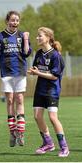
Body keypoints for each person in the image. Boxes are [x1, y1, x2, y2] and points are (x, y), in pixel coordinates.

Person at [0, 10, 32, 147]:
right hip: (6, 72)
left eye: (17, 20)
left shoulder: (22, 35)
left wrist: (26, 39)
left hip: (20, 71)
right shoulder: (0, 35)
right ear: (7, 21)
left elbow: (26, 53)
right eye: (12, 20)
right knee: (9, 101)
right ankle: (12, 132)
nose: (15, 23)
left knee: (19, 99)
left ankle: (21, 132)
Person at [27, 27, 69, 157]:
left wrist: (38, 72)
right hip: (40, 90)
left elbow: (54, 76)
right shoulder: (39, 53)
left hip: (52, 91)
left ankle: (64, 147)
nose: (37, 38)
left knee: (52, 117)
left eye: (40, 36)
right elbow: (36, 69)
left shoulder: (56, 55)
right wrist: (32, 71)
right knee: (37, 116)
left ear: (48, 38)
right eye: (37, 35)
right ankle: (48, 143)